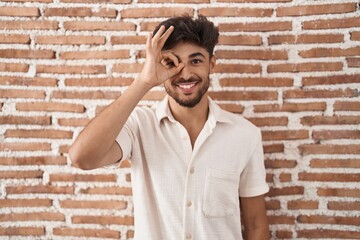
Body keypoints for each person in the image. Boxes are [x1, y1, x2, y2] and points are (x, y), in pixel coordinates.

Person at [69, 15, 269, 240]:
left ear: (212, 64)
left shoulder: (245, 135)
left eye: (196, 61)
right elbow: (81, 158)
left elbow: (255, 226)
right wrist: (144, 81)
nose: (184, 74)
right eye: (172, 63)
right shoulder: (139, 125)